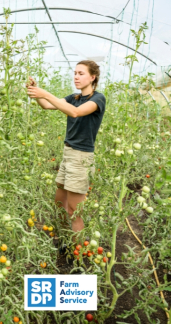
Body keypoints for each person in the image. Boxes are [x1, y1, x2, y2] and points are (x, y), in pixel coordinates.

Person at [26, 60, 106, 240]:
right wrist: (37, 93)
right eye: (75, 73)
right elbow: (47, 106)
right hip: (68, 155)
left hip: (81, 158)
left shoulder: (98, 99)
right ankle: (65, 238)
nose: (76, 77)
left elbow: (75, 112)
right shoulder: (74, 98)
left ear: (92, 77)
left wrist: (45, 93)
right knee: (59, 202)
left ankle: (77, 251)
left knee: (74, 210)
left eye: (81, 73)